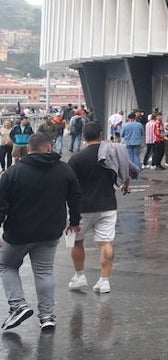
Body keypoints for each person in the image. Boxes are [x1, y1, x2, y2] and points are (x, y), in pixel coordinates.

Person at [0, 132, 82, 331]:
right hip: (50, 232)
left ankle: (18, 304)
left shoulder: (13, 172)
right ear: (48, 148)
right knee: (44, 272)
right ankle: (47, 317)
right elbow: (76, 197)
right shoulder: (65, 170)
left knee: (6, 265)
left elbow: (1, 204)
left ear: (28, 149)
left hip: (19, 233)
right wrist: (74, 222)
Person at [67, 122, 128, 294]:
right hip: (108, 205)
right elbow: (125, 170)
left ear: (84, 136)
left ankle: (79, 276)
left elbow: (69, 185)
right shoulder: (112, 155)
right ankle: (104, 281)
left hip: (81, 208)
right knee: (106, 243)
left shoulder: (76, 158)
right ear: (101, 134)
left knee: (74, 241)